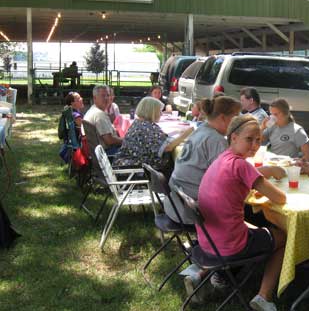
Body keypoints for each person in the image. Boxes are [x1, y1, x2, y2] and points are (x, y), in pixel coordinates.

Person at [196, 115, 287, 311]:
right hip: (230, 245)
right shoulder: (241, 165)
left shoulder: (223, 159)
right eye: (249, 139)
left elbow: (247, 177)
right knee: (284, 237)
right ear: (234, 137)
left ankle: (200, 275)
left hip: (208, 240)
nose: (254, 145)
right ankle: (263, 297)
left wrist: (267, 171)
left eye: (259, 140)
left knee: (251, 221)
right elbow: (280, 198)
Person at [165, 96, 242, 225]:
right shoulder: (216, 140)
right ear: (223, 118)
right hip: (192, 211)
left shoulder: (201, 129)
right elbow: (232, 177)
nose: (238, 123)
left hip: (175, 203)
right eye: (236, 117)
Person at [113, 97, 193, 173]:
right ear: (151, 111)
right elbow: (167, 148)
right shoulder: (147, 127)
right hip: (134, 169)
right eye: (159, 111)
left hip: (126, 164)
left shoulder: (139, 123)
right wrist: (185, 135)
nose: (161, 114)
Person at [83, 85, 122, 156]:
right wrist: (125, 141)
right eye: (103, 96)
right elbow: (109, 140)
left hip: (96, 154)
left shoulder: (92, 110)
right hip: (107, 155)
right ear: (94, 98)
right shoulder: (99, 114)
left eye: (108, 95)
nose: (107, 98)